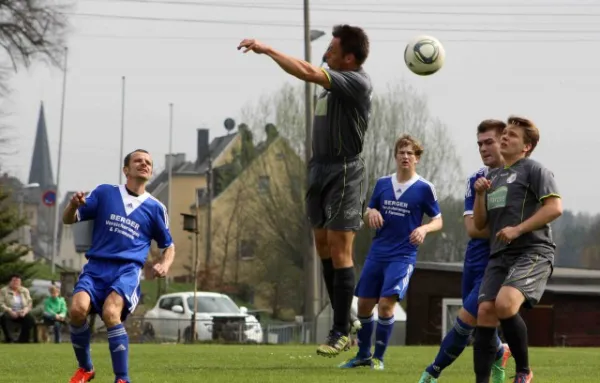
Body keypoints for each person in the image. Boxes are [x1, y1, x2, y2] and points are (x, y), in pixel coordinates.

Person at [238, 24, 373, 356]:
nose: (327, 52)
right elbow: (315, 73)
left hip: (344, 170)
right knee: (323, 246)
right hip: (319, 168)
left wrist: (267, 50)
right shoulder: (329, 84)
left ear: (350, 58)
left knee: (341, 250)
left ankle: (340, 330)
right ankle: (348, 316)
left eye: (333, 48)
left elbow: (309, 72)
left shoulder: (356, 81)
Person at [62, 149, 175, 383]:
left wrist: (164, 264)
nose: (144, 164)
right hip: (96, 268)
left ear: (151, 171)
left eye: (148, 163)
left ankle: (122, 378)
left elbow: (169, 245)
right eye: (138, 161)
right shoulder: (105, 193)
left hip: (126, 271)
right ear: (126, 170)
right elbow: (68, 219)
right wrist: (73, 205)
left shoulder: (156, 208)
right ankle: (86, 369)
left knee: (111, 313)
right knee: (76, 310)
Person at [418, 120, 512, 383]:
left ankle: (431, 372)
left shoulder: (517, 177)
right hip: (474, 257)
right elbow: (473, 229)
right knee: (481, 321)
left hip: (498, 260)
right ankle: (500, 352)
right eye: (479, 144)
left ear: (504, 141)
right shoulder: (476, 179)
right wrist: (501, 225)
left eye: (489, 142)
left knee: (464, 321)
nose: (483, 148)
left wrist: (506, 229)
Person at [339, 134, 443, 370]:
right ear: (395, 156)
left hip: (403, 255)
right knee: (364, 305)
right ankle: (363, 356)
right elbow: (369, 209)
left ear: (417, 158)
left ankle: (379, 358)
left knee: (386, 304)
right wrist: (371, 213)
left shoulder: (425, 188)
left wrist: (424, 229)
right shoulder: (382, 183)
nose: (405, 156)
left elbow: (438, 220)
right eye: (401, 152)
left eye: (410, 153)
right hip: (377, 253)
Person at [472, 116, 562, 383]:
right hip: (500, 254)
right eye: (505, 133)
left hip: (533, 250)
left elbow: (554, 208)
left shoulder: (535, 170)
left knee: (505, 303)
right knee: (485, 313)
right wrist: (479, 196)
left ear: (527, 146)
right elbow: (479, 224)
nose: (504, 137)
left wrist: (518, 229)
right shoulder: (494, 176)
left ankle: (523, 371)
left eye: (511, 135)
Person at [0, 274, 35, 343]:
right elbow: (1, 303)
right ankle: (9, 339)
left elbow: (29, 302)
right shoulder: (3, 291)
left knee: (30, 319)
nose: (16, 283)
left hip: (22, 312)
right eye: (14, 281)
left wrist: (25, 311)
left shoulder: (25, 290)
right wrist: (10, 311)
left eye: (18, 281)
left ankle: (23, 340)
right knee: (3, 318)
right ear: (10, 282)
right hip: (9, 312)